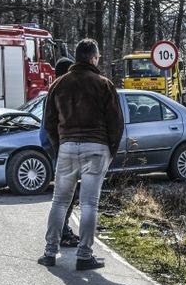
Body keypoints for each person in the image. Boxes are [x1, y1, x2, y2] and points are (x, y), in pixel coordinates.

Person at [37, 39, 124, 271]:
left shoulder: (58, 84)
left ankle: (49, 252)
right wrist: (110, 151)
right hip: (96, 147)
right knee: (89, 204)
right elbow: (116, 123)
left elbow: (49, 123)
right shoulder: (104, 85)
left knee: (59, 201)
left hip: (67, 146)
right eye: (97, 58)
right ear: (94, 58)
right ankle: (84, 255)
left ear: (77, 57)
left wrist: (60, 145)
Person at [40, 57, 81, 248]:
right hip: (63, 152)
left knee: (68, 196)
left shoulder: (54, 92)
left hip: (60, 151)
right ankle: (61, 235)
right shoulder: (58, 95)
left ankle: (62, 232)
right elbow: (47, 130)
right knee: (66, 196)